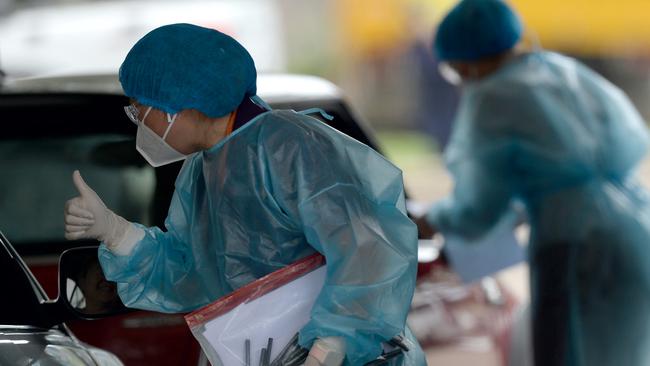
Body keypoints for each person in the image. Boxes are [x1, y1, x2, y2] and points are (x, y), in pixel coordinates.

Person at [63, 23, 425, 366]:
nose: (138, 120)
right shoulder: (203, 171)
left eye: (138, 108)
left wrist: (334, 342)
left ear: (177, 103)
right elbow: (191, 273)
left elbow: (368, 247)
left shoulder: (288, 146)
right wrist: (115, 232)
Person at [415, 0, 650, 365]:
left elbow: (478, 207)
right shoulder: (559, 70)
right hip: (636, 230)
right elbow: (565, 172)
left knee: (569, 353)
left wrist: (431, 219)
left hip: (577, 245)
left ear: (464, 59)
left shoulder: (492, 96)